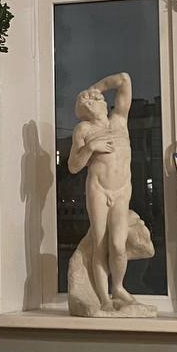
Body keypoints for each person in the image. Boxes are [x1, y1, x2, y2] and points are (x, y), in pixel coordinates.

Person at [67, 72, 140, 310]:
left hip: (122, 190)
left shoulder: (120, 120)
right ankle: (104, 299)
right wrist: (90, 147)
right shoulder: (83, 129)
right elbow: (73, 166)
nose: (94, 101)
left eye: (96, 98)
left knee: (118, 245)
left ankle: (117, 287)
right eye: (88, 101)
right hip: (98, 189)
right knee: (99, 243)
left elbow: (124, 79)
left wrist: (93, 87)